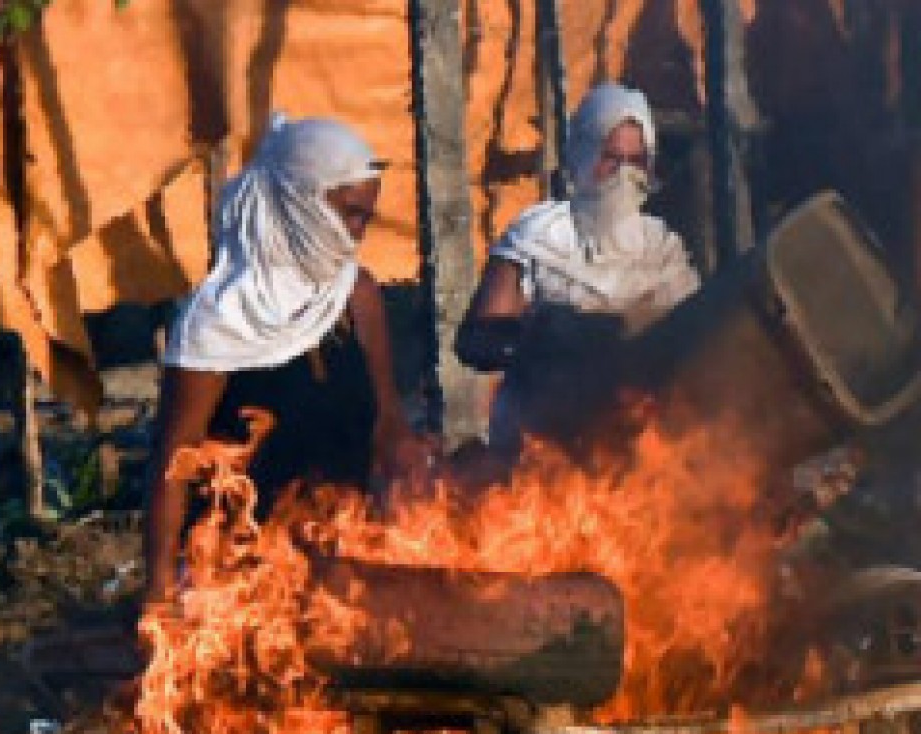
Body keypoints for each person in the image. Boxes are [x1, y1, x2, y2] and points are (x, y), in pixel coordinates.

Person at [143, 114, 429, 604]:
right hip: (240, 576)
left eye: (365, 216)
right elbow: (175, 463)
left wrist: (427, 496)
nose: (357, 233)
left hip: (340, 564)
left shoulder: (355, 297)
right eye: (348, 213)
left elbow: (386, 422)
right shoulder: (219, 318)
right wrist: (159, 590)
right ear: (299, 205)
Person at [455, 82, 701, 465]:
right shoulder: (538, 233)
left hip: (629, 453)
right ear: (584, 154)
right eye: (610, 157)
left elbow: (691, 347)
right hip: (533, 449)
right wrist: (541, 339)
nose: (622, 174)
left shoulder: (662, 250)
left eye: (634, 161)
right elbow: (476, 340)